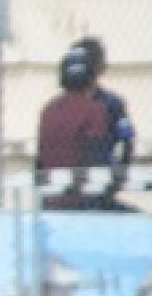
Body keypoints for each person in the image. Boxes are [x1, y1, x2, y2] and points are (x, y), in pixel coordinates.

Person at [37, 47, 119, 211]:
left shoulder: (49, 110)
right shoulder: (95, 111)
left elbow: (40, 161)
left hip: (51, 201)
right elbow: (98, 161)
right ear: (92, 79)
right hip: (84, 203)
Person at [70, 36, 139, 210]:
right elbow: (127, 142)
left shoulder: (111, 103)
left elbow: (127, 141)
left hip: (99, 183)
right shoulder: (64, 107)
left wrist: (118, 176)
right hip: (77, 188)